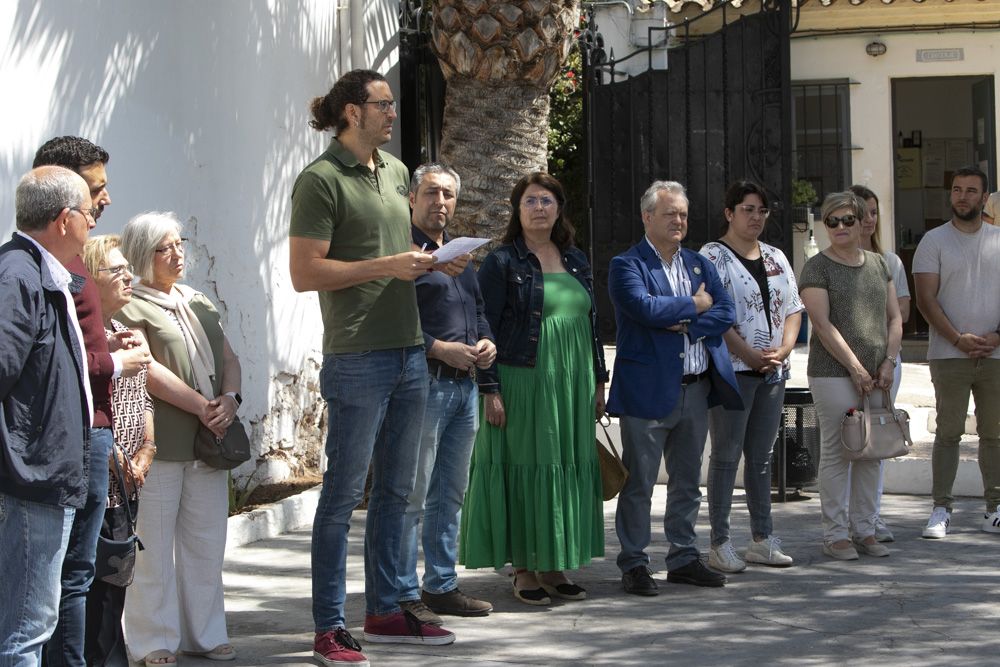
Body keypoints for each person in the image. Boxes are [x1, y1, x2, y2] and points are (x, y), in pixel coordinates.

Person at [288, 69, 458, 665]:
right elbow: (305, 273)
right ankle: (328, 628)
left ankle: (388, 608)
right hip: (357, 357)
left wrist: (432, 265)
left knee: (397, 493)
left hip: (411, 351)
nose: (394, 113)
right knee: (341, 496)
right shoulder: (319, 180)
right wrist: (389, 264)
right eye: (384, 105)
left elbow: (394, 261)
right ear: (352, 112)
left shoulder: (394, 173)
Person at [460, 172, 608, 606]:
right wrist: (490, 389)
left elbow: (591, 324)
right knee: (524, 466)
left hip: (571, 384)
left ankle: (553, 565)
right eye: (530, 200)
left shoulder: (576, 259)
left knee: (562, 464)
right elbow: (481, 327)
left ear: (559, 208)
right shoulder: (503, 262)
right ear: (517, 209)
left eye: (547, 200)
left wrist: (599, 380)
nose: (539, 207)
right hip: (521, 381)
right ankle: (524, 569)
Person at [33, 136, 152, 667]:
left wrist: (109, 347)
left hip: (96, 432)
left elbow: (78, 349)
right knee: (51, 585)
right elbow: (43, 367)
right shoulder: (35, 272)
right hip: (64, 442)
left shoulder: (76, 268)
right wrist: (111, 363)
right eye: (95, 190)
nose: (104, 201)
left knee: (83, 577)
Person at [118, 212, 242, 665]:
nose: (177, 252)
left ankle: (205, 635)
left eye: (179, 242)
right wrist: (201, 407)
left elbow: (229, 356)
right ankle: (153, 641)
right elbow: (146, 368)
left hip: (209, 442)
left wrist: (230, 398)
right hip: (162, 442)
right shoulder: (129, 304)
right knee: (152, 548)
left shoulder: (196, 299)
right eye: (164, 247)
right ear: (141, 255)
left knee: (206, 543)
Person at [607, 180, 741, 595]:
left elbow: (728, 311)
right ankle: (634, 563)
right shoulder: (626, 265)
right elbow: (644, 309)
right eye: (670, 214)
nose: (679, 221)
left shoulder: (700, 264)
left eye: (683, 213)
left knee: (687, 482)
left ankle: (683, 557)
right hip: (648, 391)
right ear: (648, 217)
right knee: (640, 484)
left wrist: (685, 320)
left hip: (696, 389)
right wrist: (697, 305)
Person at [0, 166, 92, 665]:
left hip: (39, 475)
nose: (94, 222)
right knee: (23, 631)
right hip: (28, 479)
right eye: (88, 212)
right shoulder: (18, 275)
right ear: (63, 219)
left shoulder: (34, 272)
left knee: (29, 623)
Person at [397, 163, 496, 624]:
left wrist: (484, 343)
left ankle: (440, 585)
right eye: (432, 192)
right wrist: (439, 348)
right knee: (412, 494)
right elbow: (393, 320)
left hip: (465, 390)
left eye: (449, 195)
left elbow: (476, 310)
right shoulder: (404, 254)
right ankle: (401, 592)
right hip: (426, 385)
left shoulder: (460, 255)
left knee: (449, 494)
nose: (441, 202)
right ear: (413, 198)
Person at [699, 180, 803, 573]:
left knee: (761, 458)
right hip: (733, 370)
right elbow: (715, 313)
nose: (756, 217)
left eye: (762, 210)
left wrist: (785, 349)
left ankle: (763, 538)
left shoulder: (776, 255)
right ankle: (720, 542)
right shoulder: (711, 256)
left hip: (774, 371)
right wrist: (748, 354)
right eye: (747, 209)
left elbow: (794, 307)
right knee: (726, 456)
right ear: (729, 213)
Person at [799, 191, 903, 561]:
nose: (840, 227)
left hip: (878, 374)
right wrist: (855, 368)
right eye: (832, 221)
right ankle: (836, 534)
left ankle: (866, 529)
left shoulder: (879, 264)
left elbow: (894, 317)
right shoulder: (817, 267)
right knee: (839, 451)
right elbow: (822, 325)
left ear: (862, 223)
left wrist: (888, 362)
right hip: (833, 374)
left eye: (847, 220)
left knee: (872, 452)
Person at [913, 166, 1000, 538]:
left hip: (996, 354)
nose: (962, 196)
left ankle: (995, 509)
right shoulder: (933, 241)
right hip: (948, 354)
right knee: (948, 432)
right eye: (957, 190)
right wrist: (957, 338)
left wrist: (996, 336)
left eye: (971, 191)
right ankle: (940, 510)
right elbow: (925, 300)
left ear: (984, 198)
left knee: (995, 433)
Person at [81, 235, 156, 667]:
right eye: (116, 270)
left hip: (130, 481)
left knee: (117, 583)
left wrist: (148, 448)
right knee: (94, 589)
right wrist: (117, 460)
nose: (129, 276)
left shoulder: (125, 333)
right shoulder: (89, 345)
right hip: (101, 478)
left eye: (129, 268)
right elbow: (88, 409)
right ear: (91, 279)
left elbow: (143, 398)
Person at [850, 183, 911, 543]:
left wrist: (885, 355)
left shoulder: (890, 262)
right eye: (861, 212)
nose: (868, 219)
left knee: (877, 442)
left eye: (873, 212)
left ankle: (871, 518)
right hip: (846, 367)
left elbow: (900, 312)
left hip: (887, 364)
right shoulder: (831, 262)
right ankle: (847, 521)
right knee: (848, 443)